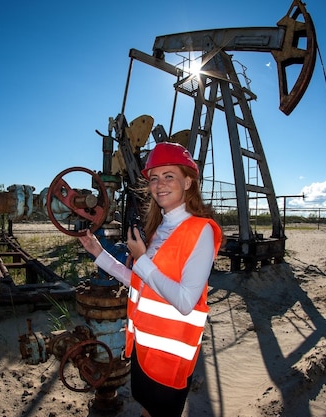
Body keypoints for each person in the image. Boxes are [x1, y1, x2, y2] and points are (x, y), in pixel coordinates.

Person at [78, 142, 223, 417]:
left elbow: (184, 301)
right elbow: (141, 283)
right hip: (145, 350)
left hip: (171, 357)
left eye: (169, 176)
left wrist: (142, 259)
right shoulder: (160, 229)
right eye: (154, 178)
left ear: (188, 181)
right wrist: (99, 254)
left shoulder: (200, 231)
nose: (159, 184)